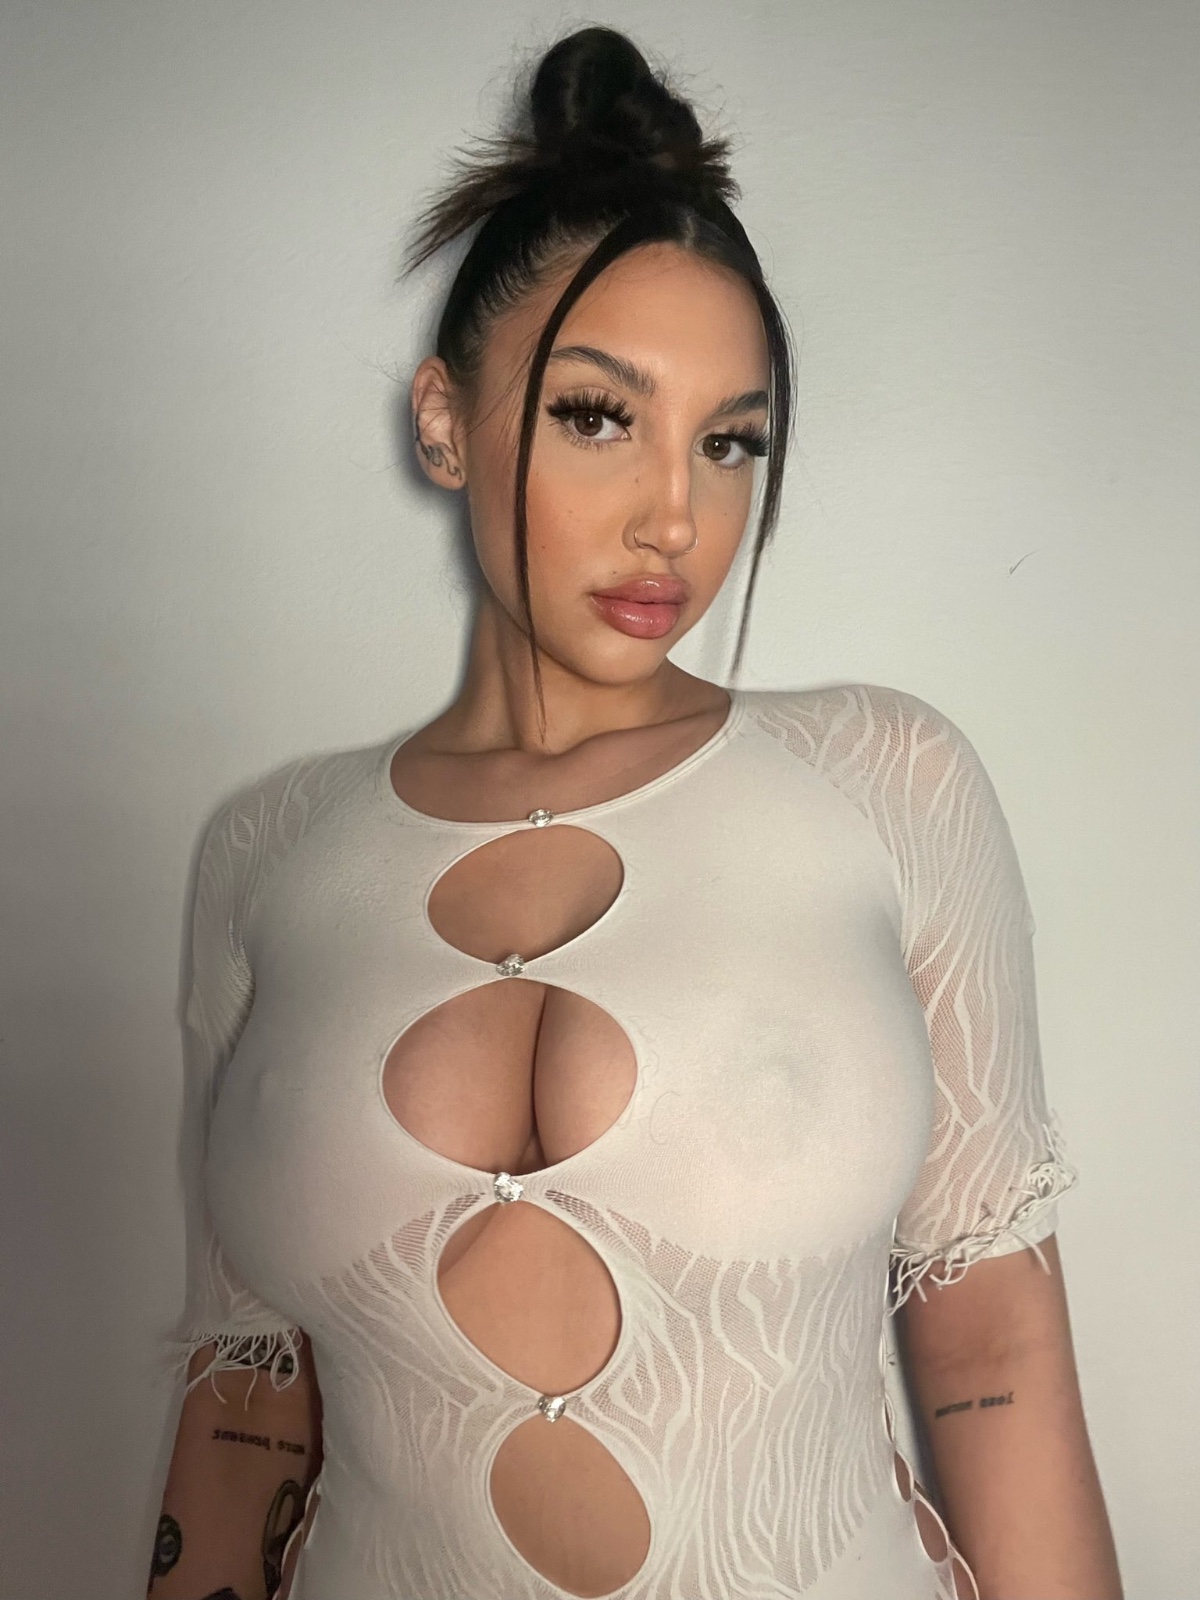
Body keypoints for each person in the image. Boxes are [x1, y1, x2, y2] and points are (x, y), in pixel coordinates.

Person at [149, 26, 1122, 1600]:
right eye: (599, 416)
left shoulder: (888, 781)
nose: (678, 514)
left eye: (731, 442)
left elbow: (992, 1347)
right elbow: (246, 1408)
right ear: (445, 418)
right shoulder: (265, 854)